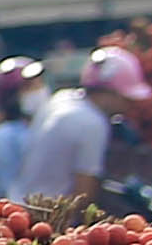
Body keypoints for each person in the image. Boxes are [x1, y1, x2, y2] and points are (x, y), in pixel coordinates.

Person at [30, 49, 129, 209]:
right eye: (124, 98)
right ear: (109, 93)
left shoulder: (61, 98)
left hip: (23, 202)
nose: (127, 106)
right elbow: (84, 193)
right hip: (48, 215)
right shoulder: (92, 123)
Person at [0, 56, 49, 203]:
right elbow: (10, 193)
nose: (39, 91)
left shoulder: (40, 127)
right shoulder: (5, 138)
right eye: (30, 87)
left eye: (39, 84)